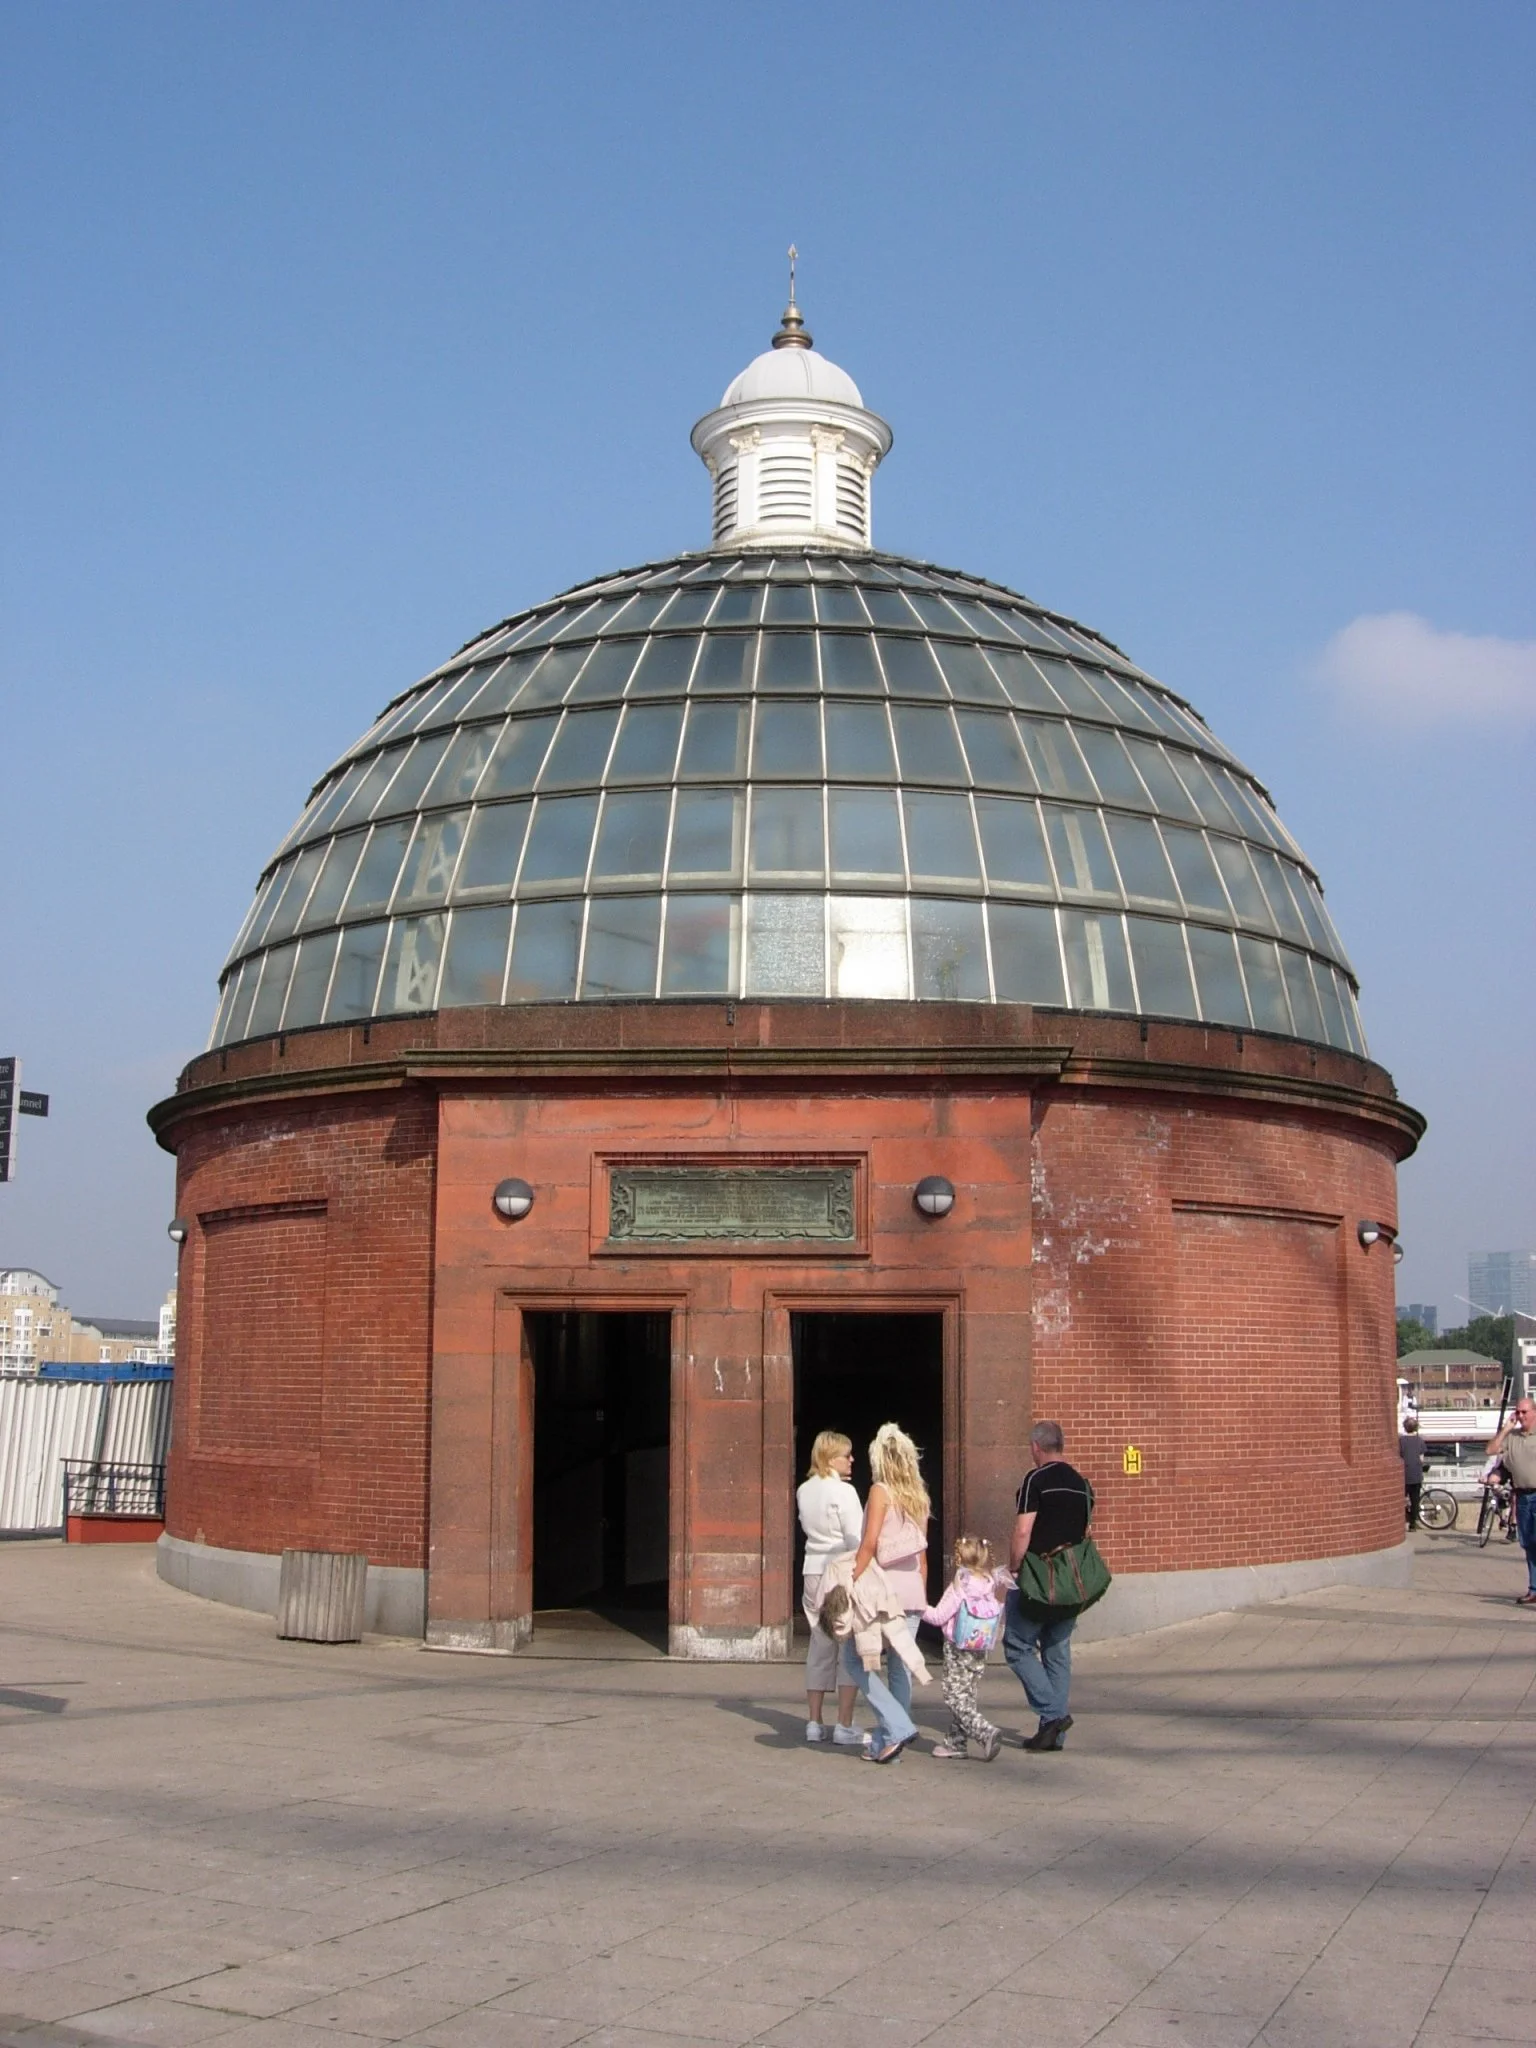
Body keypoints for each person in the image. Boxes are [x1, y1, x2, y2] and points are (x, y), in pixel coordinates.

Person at [842, 1422, 930, 1763]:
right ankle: (887, 1741)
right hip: (912, 1591)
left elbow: (869, 1544)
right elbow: (922, 1554)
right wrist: (921, 1589)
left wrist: (851, 1579)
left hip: (882, 1594)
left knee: (855, 1660)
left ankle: (896, 1726)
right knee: (900, 1667)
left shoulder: (881, 1491)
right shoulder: (919, 1495)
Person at [1004, 1420, 1092, 1751]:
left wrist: (1013, 1566)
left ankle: (1053, 1714)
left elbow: (1023, 1530)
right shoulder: (1081, 1483)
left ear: (1037, 1447)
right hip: (1072, 1581)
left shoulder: (1035, 1479)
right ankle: (1053, 1734)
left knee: (1017, 1646)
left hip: (1039, 1578)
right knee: (1056, 1651)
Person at [796, 1431, 864, 1745]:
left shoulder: (804, 1490)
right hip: (839, 1569)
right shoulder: (845, 1492)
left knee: (819, 1643)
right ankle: (844, 1724)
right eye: (846, 1454)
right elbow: (856, 1537)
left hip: (812, 1569)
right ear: (830, 1458)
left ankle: (813, 1721)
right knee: (847, 1646)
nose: (851, 1459)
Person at [922, 1535, 1012, 1761]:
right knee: (967, 1694)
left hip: (958, 1647)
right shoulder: (989, 1582)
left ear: (959, 1557)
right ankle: (955, 1742)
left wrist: (917, 1606)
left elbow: (938, 1616)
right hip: (980, 1647)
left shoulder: (960, 1585)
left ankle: (984, 1731)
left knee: (954, 1695)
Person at [1485, 1395, 1536, 1606]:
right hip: (1522, 1496)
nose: (1520, 1416)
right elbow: (1491, 1450)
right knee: (1529, 1544)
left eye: (1524, 1412)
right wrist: (1506, 1429)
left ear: (1534, 1412)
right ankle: (1534, 1589)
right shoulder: (1512, 1438)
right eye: (1518, 1412)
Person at [1399, 1414, 1425, 1530]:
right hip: (1416, 1474)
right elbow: (1421, 1459)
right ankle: (1413, 1524)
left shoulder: (1401, 1441)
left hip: (1404, 1474)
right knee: (1415, 1499)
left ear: (1404, 1428)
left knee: (1401, 1499)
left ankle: (1403, 1519)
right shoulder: (1419, 1440)